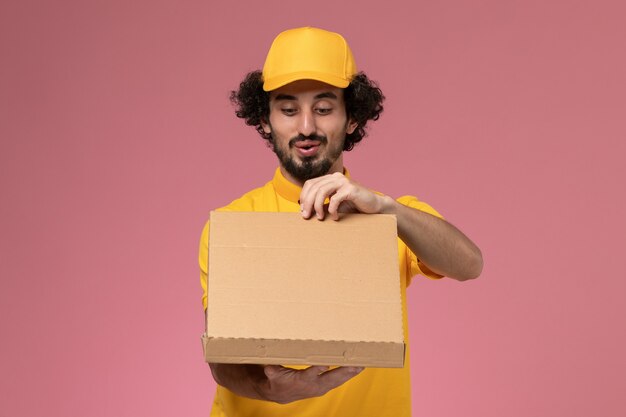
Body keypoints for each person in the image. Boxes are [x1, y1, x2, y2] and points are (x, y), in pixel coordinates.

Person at [199, 26, 483, 417]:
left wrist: (388, 211)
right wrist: (272, 389)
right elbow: (222, 357)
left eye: (323, 108)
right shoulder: (233, 224)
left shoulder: (387, 217)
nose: (305, 128)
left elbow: (469, 264)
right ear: (264, 121)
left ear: (352, 119)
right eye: (287, 109)